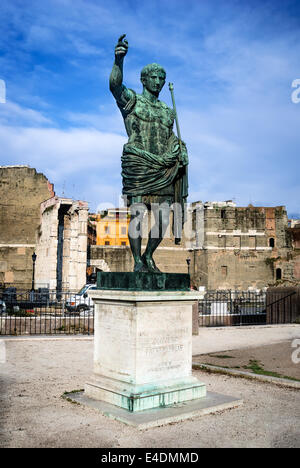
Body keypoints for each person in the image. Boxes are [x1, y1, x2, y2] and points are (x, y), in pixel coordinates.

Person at [109, 35, 188, 273]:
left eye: (162, 78)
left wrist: (181, 150)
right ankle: (136, 262)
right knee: (137, 216)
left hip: (162, 169)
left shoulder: (167, 111)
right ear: (144, 79)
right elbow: (114, 86)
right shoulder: (132, 101)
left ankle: (149, 256)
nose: (158, 81)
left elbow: (170, 139)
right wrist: (118, 60)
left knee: (163, 218)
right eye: (154, 77)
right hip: (139, 165)